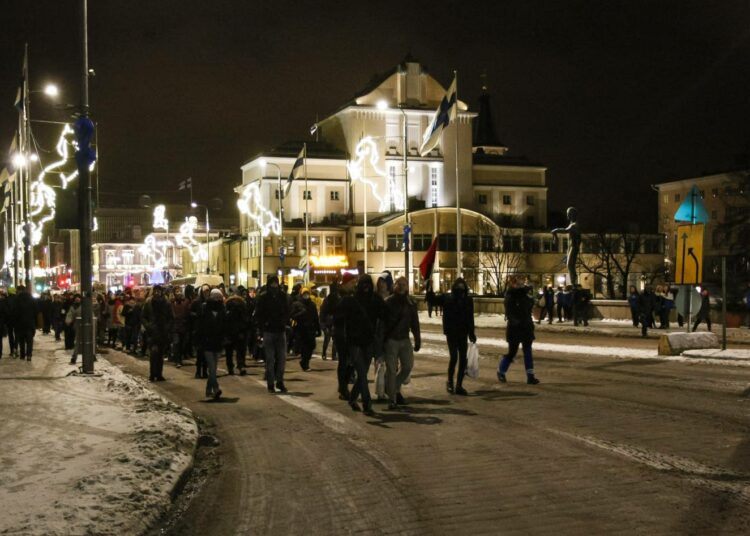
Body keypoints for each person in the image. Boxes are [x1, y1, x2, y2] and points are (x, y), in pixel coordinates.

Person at [341, 274, 384, 415]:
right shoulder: (351, 300)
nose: (365, 287)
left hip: (367, 341)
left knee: (363, 373)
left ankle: (353, 398)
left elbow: (386, 315)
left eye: (367, 284)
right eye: (363, 284)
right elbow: (339, 317)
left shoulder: (374, 299)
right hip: (355, 343)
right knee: (362, 373)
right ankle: (367, 404)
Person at [382, 276, 421, 409]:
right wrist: (381, 343)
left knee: (408, 366)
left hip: (404, 339)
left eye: (405, 284)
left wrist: (417, 339)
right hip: (391, 340)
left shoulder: (411, 303)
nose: (402, 286)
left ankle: (393, 387)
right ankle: (392, 399)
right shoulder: (388, 302)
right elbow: (382, 325)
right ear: (395, 285)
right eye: (400, 284)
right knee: (392, 370)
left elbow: (415, 323)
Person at [498, 276, 539, 385]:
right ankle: (501, 371)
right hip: (515, 328)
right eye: (517, 283)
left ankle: (530, 376)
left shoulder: (525, 296)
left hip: (525, 327)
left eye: (521, 283)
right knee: (512, 352)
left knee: (527, 351)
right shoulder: (511, 295)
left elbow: (529, 308)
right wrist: (516, 322)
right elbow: (510, 312)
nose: (520, 285)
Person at [254, 274, 290, 393]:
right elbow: (259, 315)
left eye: (276, 283)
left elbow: (287, 311)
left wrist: (284, 322)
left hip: (280, 330)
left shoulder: (282, 296)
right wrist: (261, 329)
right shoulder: (263, 297)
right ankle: (270, 383)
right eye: (272, 283)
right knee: (270, 359)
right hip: (269, 331)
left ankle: (279, 381)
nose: (274, 285)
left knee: (282, 358)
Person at [441, 278, 476, 395]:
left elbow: (470, 318)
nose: (461, 290)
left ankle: (459, 385)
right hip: (451, 333)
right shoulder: (448, 298)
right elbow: (433, 300)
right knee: (454, 357)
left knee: (462, 360)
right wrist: (428, 287)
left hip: (463, 332)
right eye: (458, 287)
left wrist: (471, 332)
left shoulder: (468, 300)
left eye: (462, 288)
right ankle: (450, 382)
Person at [198, 288, 226, 399]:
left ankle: (208, 390)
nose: (218, 299)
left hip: (217, 341)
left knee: (213, 367)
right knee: (212, 366)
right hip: (207, 341)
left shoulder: (222, 309)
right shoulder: (205, 308)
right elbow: (200, 325)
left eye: (219, 297)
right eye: (216, 297)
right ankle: (217, 388)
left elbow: (224, 325)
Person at [332, 272, 357, 400]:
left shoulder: (353, 295)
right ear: (346, 283)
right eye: (352, 282)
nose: (354, 285)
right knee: (344, 361)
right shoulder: (338, 296)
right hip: (341, 332)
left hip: (351, 332)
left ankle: (343, 386)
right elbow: (332, 313)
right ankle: (343, 387)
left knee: (351, 361)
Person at [141, 285, 173, 381]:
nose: (157, 293)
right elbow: (143, 316)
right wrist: (148, 326)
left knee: (160, 354)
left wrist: (167, 327)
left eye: (159, 291)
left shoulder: (166, 302)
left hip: (163, 331)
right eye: (155, 291)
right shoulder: (148, 302)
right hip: (152, 332)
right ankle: (152, 374)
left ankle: (159, 374)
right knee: (154, 353)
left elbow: (170, 317)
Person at [290, 287, 320, 371]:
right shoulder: (297, 304)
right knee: (304, 346)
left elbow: (315, 317)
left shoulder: (312, 304)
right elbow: (292, 315)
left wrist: (318, 329)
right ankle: (305, 363)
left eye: (307, 293)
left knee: (311, 346)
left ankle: (305, 361)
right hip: (301, 328)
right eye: (304, 294)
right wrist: (301, 313)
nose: (306, 295)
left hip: (311, 328)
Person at [224, 289, 250, 375]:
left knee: (229, 351)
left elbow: (224, 319)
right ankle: (240, 365)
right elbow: (245, 318)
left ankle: (230, 367)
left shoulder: (226, 304)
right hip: (240, 331)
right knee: (240, 350)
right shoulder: (242, 304)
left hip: (229, 331)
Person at [190, 285, 211, 378]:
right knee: (199, 352)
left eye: (208, 291)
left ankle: (205, 371)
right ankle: (198, 371)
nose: (207, 293)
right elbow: (190, 312)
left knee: (206, 352)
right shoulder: (196, 302)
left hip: (207, 329)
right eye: (205, 291)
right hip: (199, 329)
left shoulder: (210, 302)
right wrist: (197, 315)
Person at [15, 286, 37, 361]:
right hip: (30, 323)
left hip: (20, 323)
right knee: (29, 340)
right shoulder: (32, 299)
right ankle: (29, 355)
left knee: (21, 340)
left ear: (19, 291)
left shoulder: (17, 299)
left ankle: (22, 355)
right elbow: (36, 311)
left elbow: (15, 312)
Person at [319, 282, 339, 360]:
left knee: (334, 340)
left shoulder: (337, 299)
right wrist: (323, 324)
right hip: (328, 322)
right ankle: (324, 353)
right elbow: (323, 312)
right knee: (327, 338)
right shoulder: (327, 300)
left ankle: (333, 355)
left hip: (334, 321)